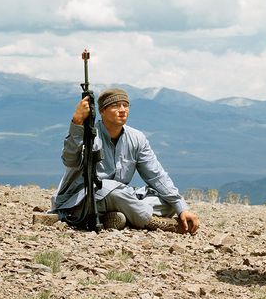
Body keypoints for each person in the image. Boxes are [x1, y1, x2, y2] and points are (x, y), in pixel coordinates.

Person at [52, 88, 200, 234]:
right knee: (112, 190)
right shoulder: (88, 135)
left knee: (168, 202)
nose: (122, 110)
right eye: (115, 105)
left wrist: (182, 208)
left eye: (126, 105)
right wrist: (77, 123)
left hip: (122, 198)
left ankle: (116, 218)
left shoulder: (137, 138)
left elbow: (156, 175)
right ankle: (154, 222)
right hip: (84, 199)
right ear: (102, 111)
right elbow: (70, 160)